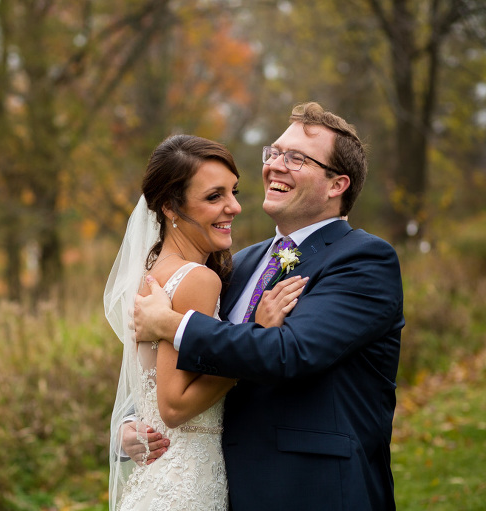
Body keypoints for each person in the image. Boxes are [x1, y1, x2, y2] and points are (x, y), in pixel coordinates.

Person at [131, 102, 404, 511]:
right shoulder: (238, 263)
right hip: (226, 488)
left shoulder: (364, 260)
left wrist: (172, 324)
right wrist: (131, 426)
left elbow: (292, 352)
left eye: (296, 158)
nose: (276, 165)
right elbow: (174, 375)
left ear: (336, 185)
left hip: (315, 491)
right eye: (274, 152)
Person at [105, 134, 306, 510]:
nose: (234, 207)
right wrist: (256, 337)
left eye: (234, 192)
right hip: (186, 482)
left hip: (160, 478)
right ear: (169, 207)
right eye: (214, 197)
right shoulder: (198, 278)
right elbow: (173, 406)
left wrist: (125, 429)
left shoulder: (153, 273)